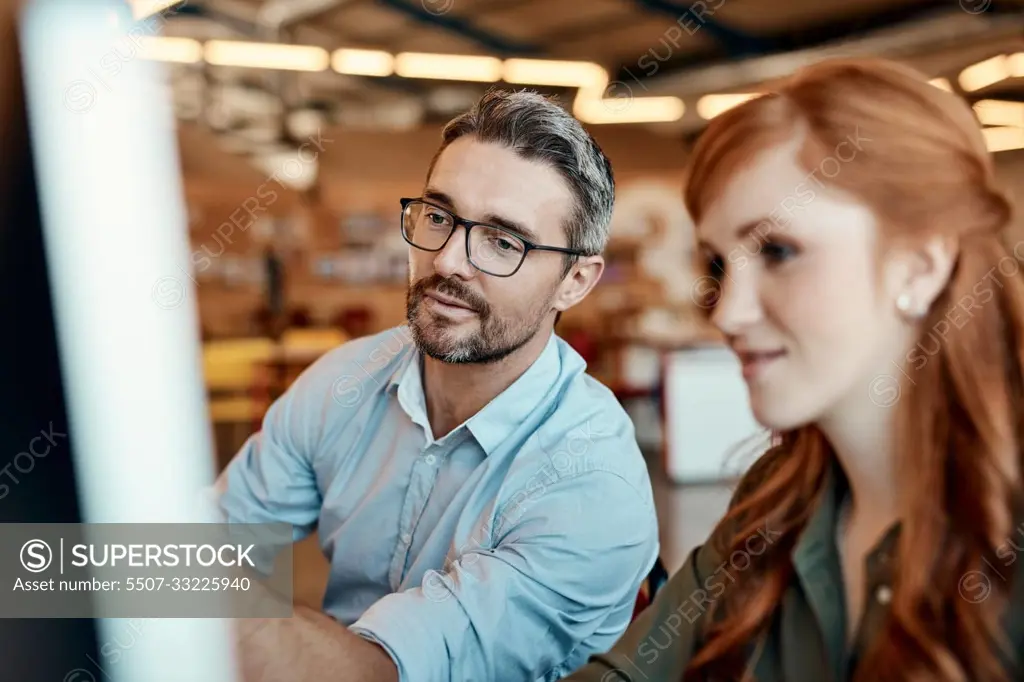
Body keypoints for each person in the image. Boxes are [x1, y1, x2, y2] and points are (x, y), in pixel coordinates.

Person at [566, 57, 1024, 682]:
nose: (727, 313)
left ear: (920, 266)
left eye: (778, 252)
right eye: (719, 265)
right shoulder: (776, 502)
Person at [216, 89, 660, 682]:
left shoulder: (591, 484)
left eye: (504, 241)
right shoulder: (345, 382)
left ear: (574, 282)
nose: (449, 260)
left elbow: (381, 674)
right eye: (438, 216)